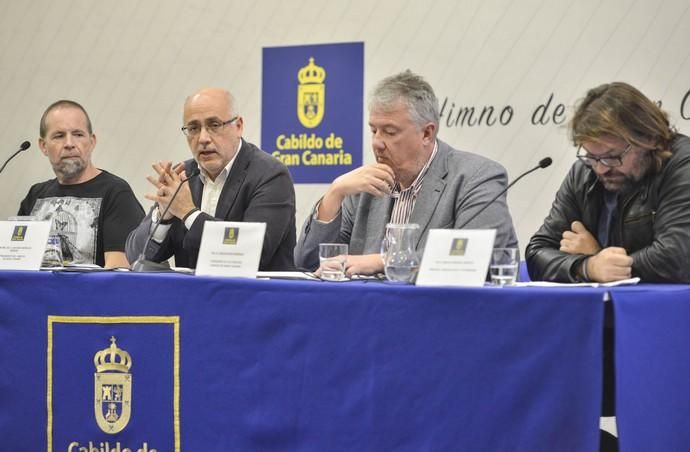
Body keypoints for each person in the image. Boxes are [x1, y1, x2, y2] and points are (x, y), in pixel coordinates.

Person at [294, 70, 518, 275]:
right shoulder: (365, 186)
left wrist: (384, 261)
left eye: (390, 132)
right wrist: (335, 193)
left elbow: (479, 257)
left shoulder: (475, 177)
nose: (377, 143)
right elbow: (307, 263)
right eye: (374, 131)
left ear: (427, 134)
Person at [526, 82, 690, 283]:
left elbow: (677, 257)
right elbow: (537, 252)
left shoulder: (682, 164)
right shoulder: (584, 172)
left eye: (613, 156)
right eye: (592, 156)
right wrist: (587, 267)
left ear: (650, 139)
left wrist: (599, 258)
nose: (601, 168)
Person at [125, 88, 296, 270]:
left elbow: (252, 253)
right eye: (193, 128)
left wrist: (188, 213)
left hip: (253, 295)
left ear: (238, 126)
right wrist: (164, 216)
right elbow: (135, 255)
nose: (203, 138)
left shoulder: (270, 174)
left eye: (214, 125)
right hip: (194, 295)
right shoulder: (184, 176)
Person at [18, 100, 144, 268]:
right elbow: (18, 261)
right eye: (59, 136)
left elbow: (118, 275)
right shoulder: (36, 195)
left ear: (92, 142)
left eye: (78, 134)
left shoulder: (116, 193)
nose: (69, 144)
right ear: (43, 146)